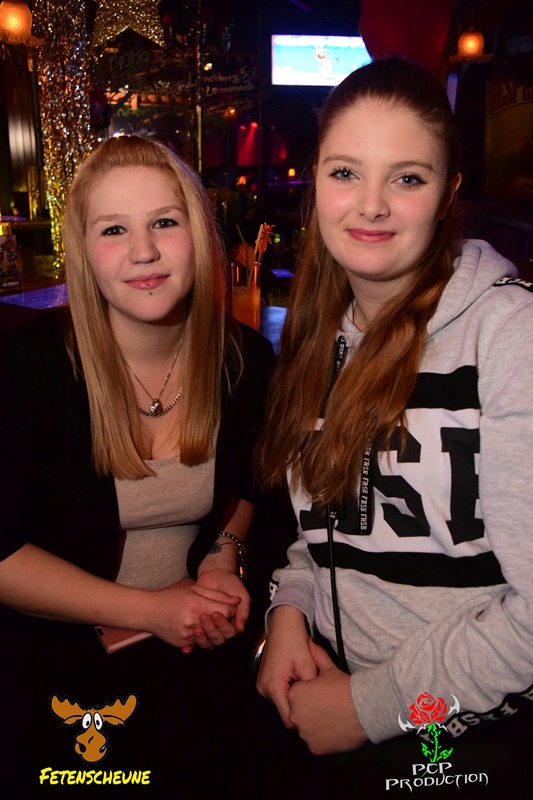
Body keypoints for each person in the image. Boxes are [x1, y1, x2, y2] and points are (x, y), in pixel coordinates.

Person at [255, 57, 533, 798]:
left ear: (448, 196)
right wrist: (290, 607)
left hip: (468, 734)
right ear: (315, 183)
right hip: (336, 704)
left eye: (407, 178)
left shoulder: (509, 335)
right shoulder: (319, 337)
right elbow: (335, 528)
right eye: (346, 173)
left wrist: (367, 707)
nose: (371, 205)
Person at [0, 135, 274, 798]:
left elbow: (249, 482)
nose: (144, 251)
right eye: (114, 229)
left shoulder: (244, 360)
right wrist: (149, 610)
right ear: (83, 251)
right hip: (56, 669)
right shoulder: (26, 369)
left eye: (165, 222)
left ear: (199, 236)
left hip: (197, 653)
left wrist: (221, 558)